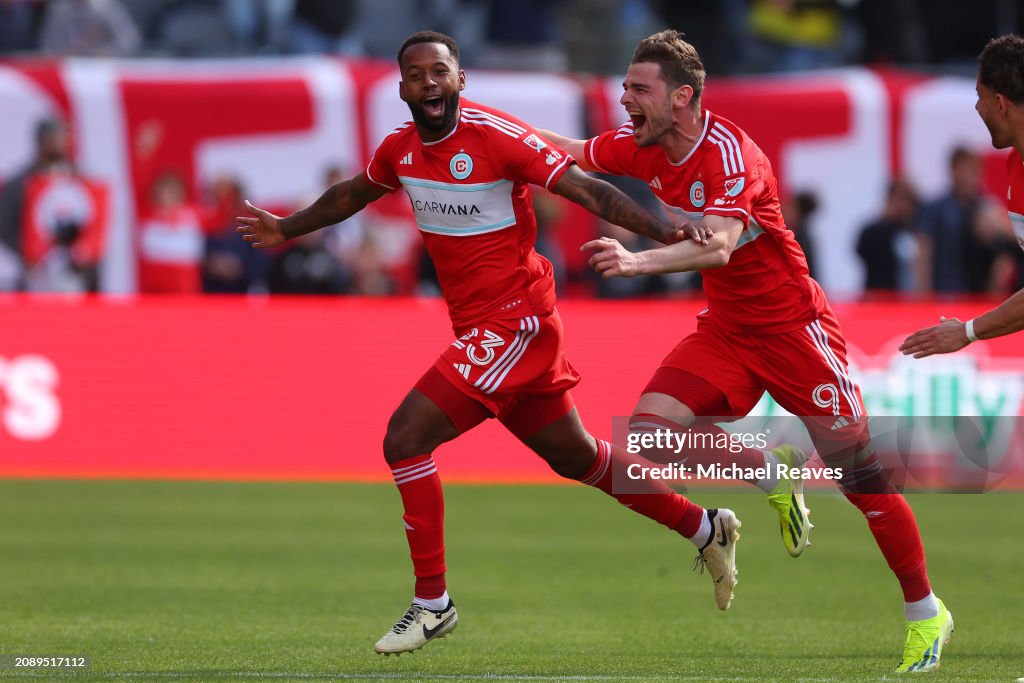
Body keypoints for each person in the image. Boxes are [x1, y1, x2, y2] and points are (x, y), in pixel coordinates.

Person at [237, 30, 743, 657]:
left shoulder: (495, 135)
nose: (428, 83)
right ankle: (704, 526)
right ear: (402, 89)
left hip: (515, 324)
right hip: (483, 328)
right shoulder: (399, 150)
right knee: (578, 457)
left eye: (439, 72)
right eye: (416, 75)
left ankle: (433, 604)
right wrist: (287, 227)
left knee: (404, 437)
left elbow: (586, 188)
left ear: (460, 80)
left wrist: (662, 228)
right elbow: (352, 195)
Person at [541, 30, 950, 674]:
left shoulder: (732, 154)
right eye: (623, 87)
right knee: (647, 437)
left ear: (682, 98)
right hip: (728, 330)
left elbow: (721, 246)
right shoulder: (641, 144)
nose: (624, 99)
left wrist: (636, 259)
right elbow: (565, 151)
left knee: (861, 481)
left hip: (794, 331)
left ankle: (926, 613)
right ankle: (772, 468)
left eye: (637, 89)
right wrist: (479, 125)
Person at [901, 34, 1024, 357]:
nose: (977, 108)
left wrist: (968, 331)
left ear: (999, 103)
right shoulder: (1015, 165)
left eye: (980, 97)